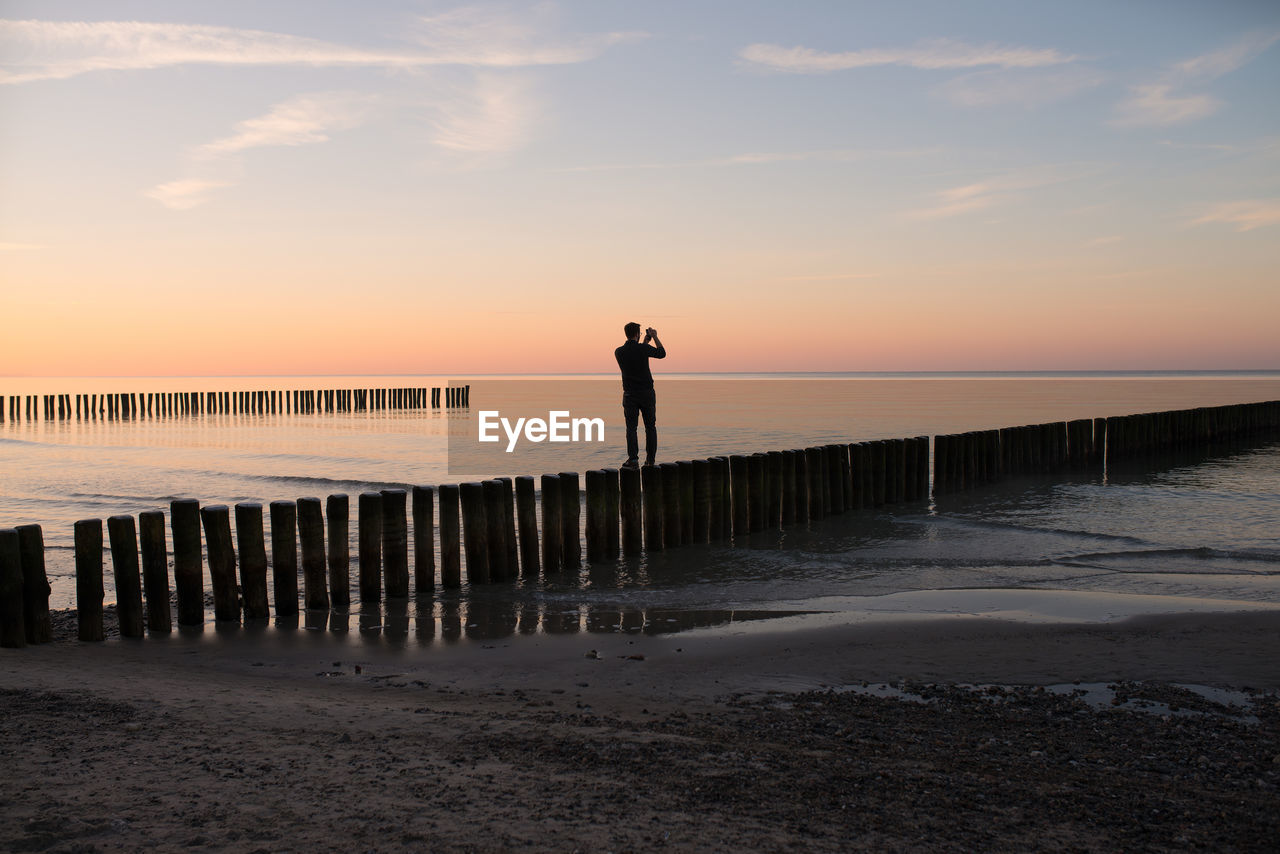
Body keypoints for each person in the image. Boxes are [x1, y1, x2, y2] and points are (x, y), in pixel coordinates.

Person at [614, 322, 666, 467]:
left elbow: (637, 355)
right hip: (646, 393)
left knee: (631, 428)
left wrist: (644, 342)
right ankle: (650, 460)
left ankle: (633, 459)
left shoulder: (619, 351)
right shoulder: (642, 349)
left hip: (630, 394)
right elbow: (661, 353)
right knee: (650, 427)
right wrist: (655, 337)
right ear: (637, 334)